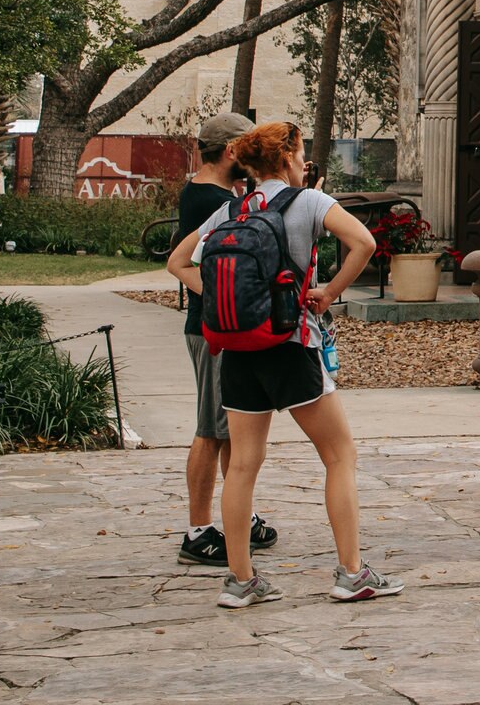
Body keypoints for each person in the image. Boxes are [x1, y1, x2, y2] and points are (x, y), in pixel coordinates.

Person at [166, 121, 399, 607]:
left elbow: (178, 262)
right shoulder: (309, 203)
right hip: (292, 347)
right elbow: (365, 244)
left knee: (244, 467)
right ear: (289, 157)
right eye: (299, 154)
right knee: (339, 457)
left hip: (237, 352)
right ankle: (352, 573)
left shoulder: (231, 207)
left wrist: (227, 302)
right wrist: (328, 292)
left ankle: (241, 580)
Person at [171, 110, 277, 568]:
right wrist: (220, 298)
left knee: (233, 425)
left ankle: (242, 513)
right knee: (211, 429)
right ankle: (197, 531)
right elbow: (182, 263)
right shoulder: (206, 201)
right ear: (232, 150)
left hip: (219, 328)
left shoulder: (214, 193)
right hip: (211, 330)